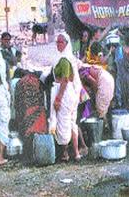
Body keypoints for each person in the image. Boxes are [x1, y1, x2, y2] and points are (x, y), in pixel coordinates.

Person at [49, 33, 82, 162]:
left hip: (65, 93)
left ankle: (65, 154)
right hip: (71, 93)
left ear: (66, 44)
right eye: (57, 42)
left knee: (63, 122)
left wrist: (58, 98)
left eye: (61, 42)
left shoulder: (64, 60)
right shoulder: (69, 57)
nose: (58, 44)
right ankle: (77, 153)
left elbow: (65, 80)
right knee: (71, 122)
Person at [14, 69, 48, 159]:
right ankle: (38, 154)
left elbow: (16, 100)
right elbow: (42, 95)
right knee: (38, 133)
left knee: (27, 133)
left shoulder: (20, 82)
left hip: (25, 110)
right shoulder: (38, 81)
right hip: (38, 110)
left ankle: (27, 154)